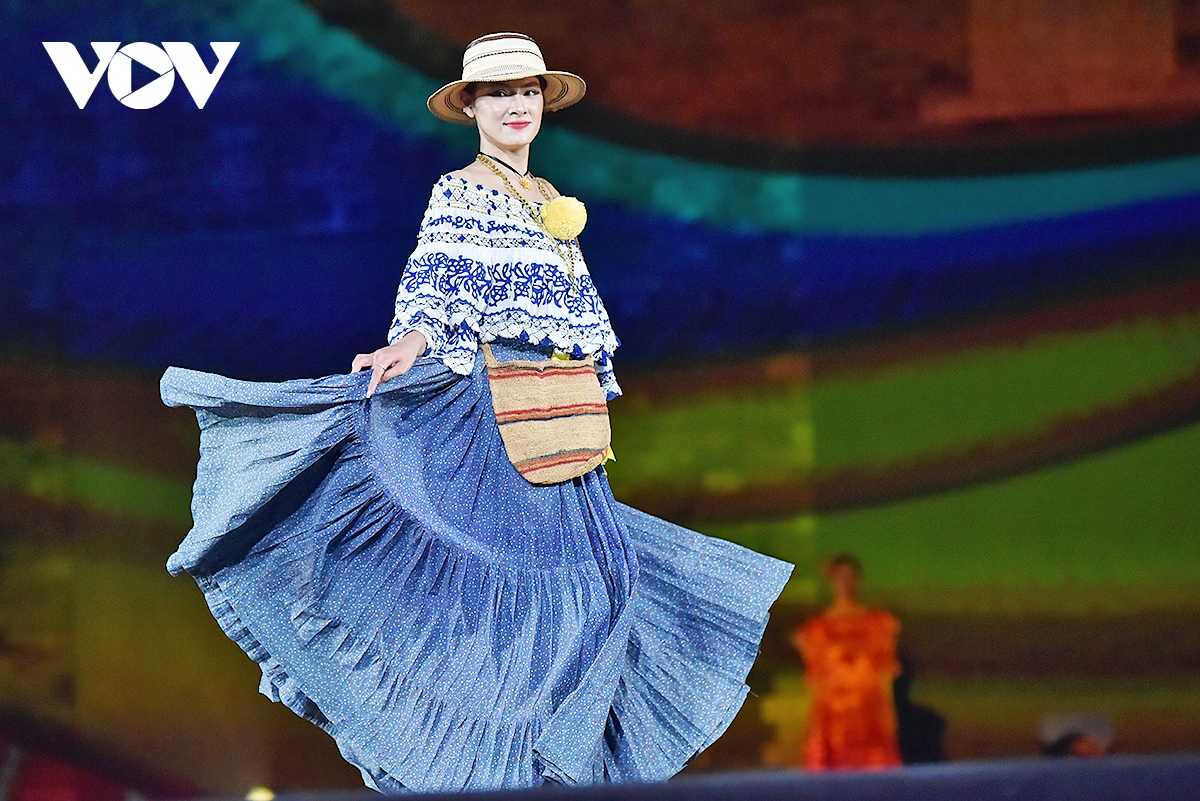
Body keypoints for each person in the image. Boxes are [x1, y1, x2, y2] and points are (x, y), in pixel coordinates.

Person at [161, 32, 792, 794]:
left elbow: (571, 317)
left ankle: (555, 771)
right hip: (502, 425)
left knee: (600, 597)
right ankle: (494, 771)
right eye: (499, 93)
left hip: (564, 431)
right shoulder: (461, 192)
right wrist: (407, 343)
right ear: (472, 108)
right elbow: (437, 282)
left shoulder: (547, 196)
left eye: (527, 92)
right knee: (529, 618)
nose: (517, 105)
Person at [792, 554, 901, 771]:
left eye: (849, 577)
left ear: (857, 580)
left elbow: (885, 672)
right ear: (832, 581)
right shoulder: (819, 628)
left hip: (869, 711)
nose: (845, 583)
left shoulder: (875, 624)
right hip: (833, 715)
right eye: (839, 577)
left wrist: (889, 715)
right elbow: (816, 679)